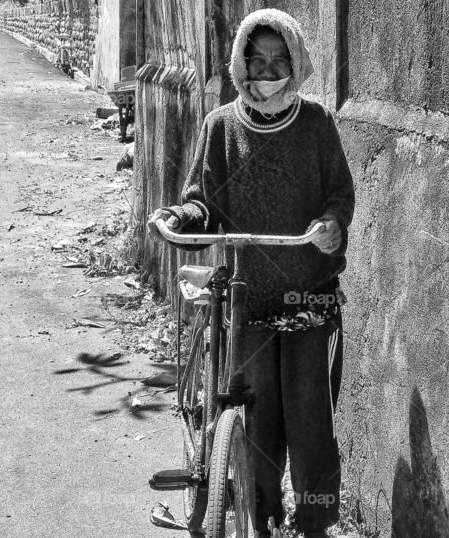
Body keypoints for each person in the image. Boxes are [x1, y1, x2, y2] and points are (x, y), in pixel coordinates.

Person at [147, 9, 355, 538]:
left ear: (296, 61)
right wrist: (181, 216)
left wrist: (331, 225)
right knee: (254, 420)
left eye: (278, 59)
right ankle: (257, 518)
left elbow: (340, 194)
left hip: (309, 299)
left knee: (310, 426)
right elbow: (202, 203)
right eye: (256, 59)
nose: (267, 70)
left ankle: (313, 522)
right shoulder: (220, 127)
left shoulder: (316, 125)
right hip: (245, 301)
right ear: (240, 63)